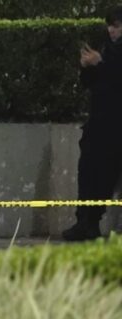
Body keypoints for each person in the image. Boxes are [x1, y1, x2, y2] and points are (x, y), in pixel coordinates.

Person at [63, 6, 122, 241]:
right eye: (110, 25)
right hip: (99, 122)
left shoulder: (111, 55)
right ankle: (85, 222)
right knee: (88, 172)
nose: (112, 30)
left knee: (106, 175)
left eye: (116, 25)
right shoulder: (108, 49)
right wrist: (87, 67)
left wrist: (101, 64)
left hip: (116, 127)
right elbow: (92, 83)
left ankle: (92, 220)